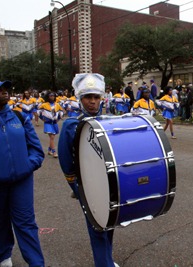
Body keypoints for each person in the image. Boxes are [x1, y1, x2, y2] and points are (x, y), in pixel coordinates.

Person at [0, 78, 45, 267]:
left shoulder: (19, 116)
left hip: (21, 181)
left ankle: (36, 263)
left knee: (26, 223)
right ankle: (4, 255)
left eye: (5, 88)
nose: (4, 91)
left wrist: (28, 165)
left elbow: (36, 148)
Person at [58, 73, 119, 267]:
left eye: (96, 97)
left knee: (110, 223)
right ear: (80, 99)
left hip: (109, 185)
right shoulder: (71, 125)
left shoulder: (108, 121)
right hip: (88, 188)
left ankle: (107, 259)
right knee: (97, 228)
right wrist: (79, 189)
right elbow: (66, 163)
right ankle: (104, 264)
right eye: (87, 97)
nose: (92, 102)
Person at [38, 93, 64, 158]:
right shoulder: (44, 105)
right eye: (50, 96)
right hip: (48, 123)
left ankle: (49, 150)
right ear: (48, 97)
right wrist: (42, 118)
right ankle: (54, 151)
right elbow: (38, 111)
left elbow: (61, 112)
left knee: (52, 137)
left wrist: (58, 119)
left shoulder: (57, 105)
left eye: (53, 96)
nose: (52, 97)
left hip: (54, 123)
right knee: (52, 137)